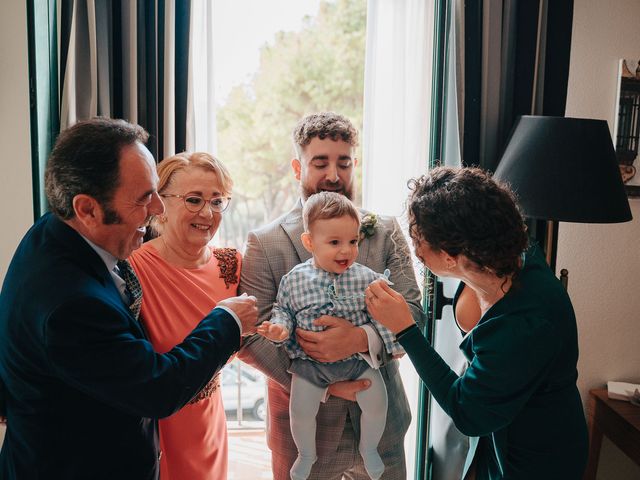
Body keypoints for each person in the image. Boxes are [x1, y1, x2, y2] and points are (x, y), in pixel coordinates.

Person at [0, 118, 258, 479]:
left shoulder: (49, 232)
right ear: (87, 209)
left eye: (156, 192)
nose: (157, 209)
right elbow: (159, 389)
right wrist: (226, 320)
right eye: (143, 198)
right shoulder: (72, 305)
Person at [366, 166, 589, 479]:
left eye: (418, 240)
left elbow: (467, 413)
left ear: (450, 256)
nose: (415, 250)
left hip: (537, 458)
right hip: (499, 432)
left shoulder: (527, 321)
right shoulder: (499, 258)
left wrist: (405, 330)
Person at [239, 112, 424, 479]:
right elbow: (250, 335)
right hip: (303, 432)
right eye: (320, 162)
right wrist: (324, 384)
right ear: (297, 167)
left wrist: (361, 338)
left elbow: (414, 312)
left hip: (383, 428)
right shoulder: (266, 241)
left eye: (344, 162)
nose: (333, 175)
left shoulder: (384, 230)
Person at [258, 192, 404, 480]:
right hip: (309, 366)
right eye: (335, 243)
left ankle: (369, 448)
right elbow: (283, 310)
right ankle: (306, 454)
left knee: (378, 403)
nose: (346, 251)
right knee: (300, 412)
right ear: (310, 243)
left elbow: (392, 312)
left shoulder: (366, 277)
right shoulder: (294, 279)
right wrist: (279, 329)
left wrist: (378, 336)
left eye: (352, 241)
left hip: (357, 363)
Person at [128, 152, 238, 479]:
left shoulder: (232, 266)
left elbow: (261, 341)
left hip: (210, 430)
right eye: (193, 200)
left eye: (217, 202)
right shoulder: (134, 269)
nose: (207, 213)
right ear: (160, 204)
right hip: (156, 431)